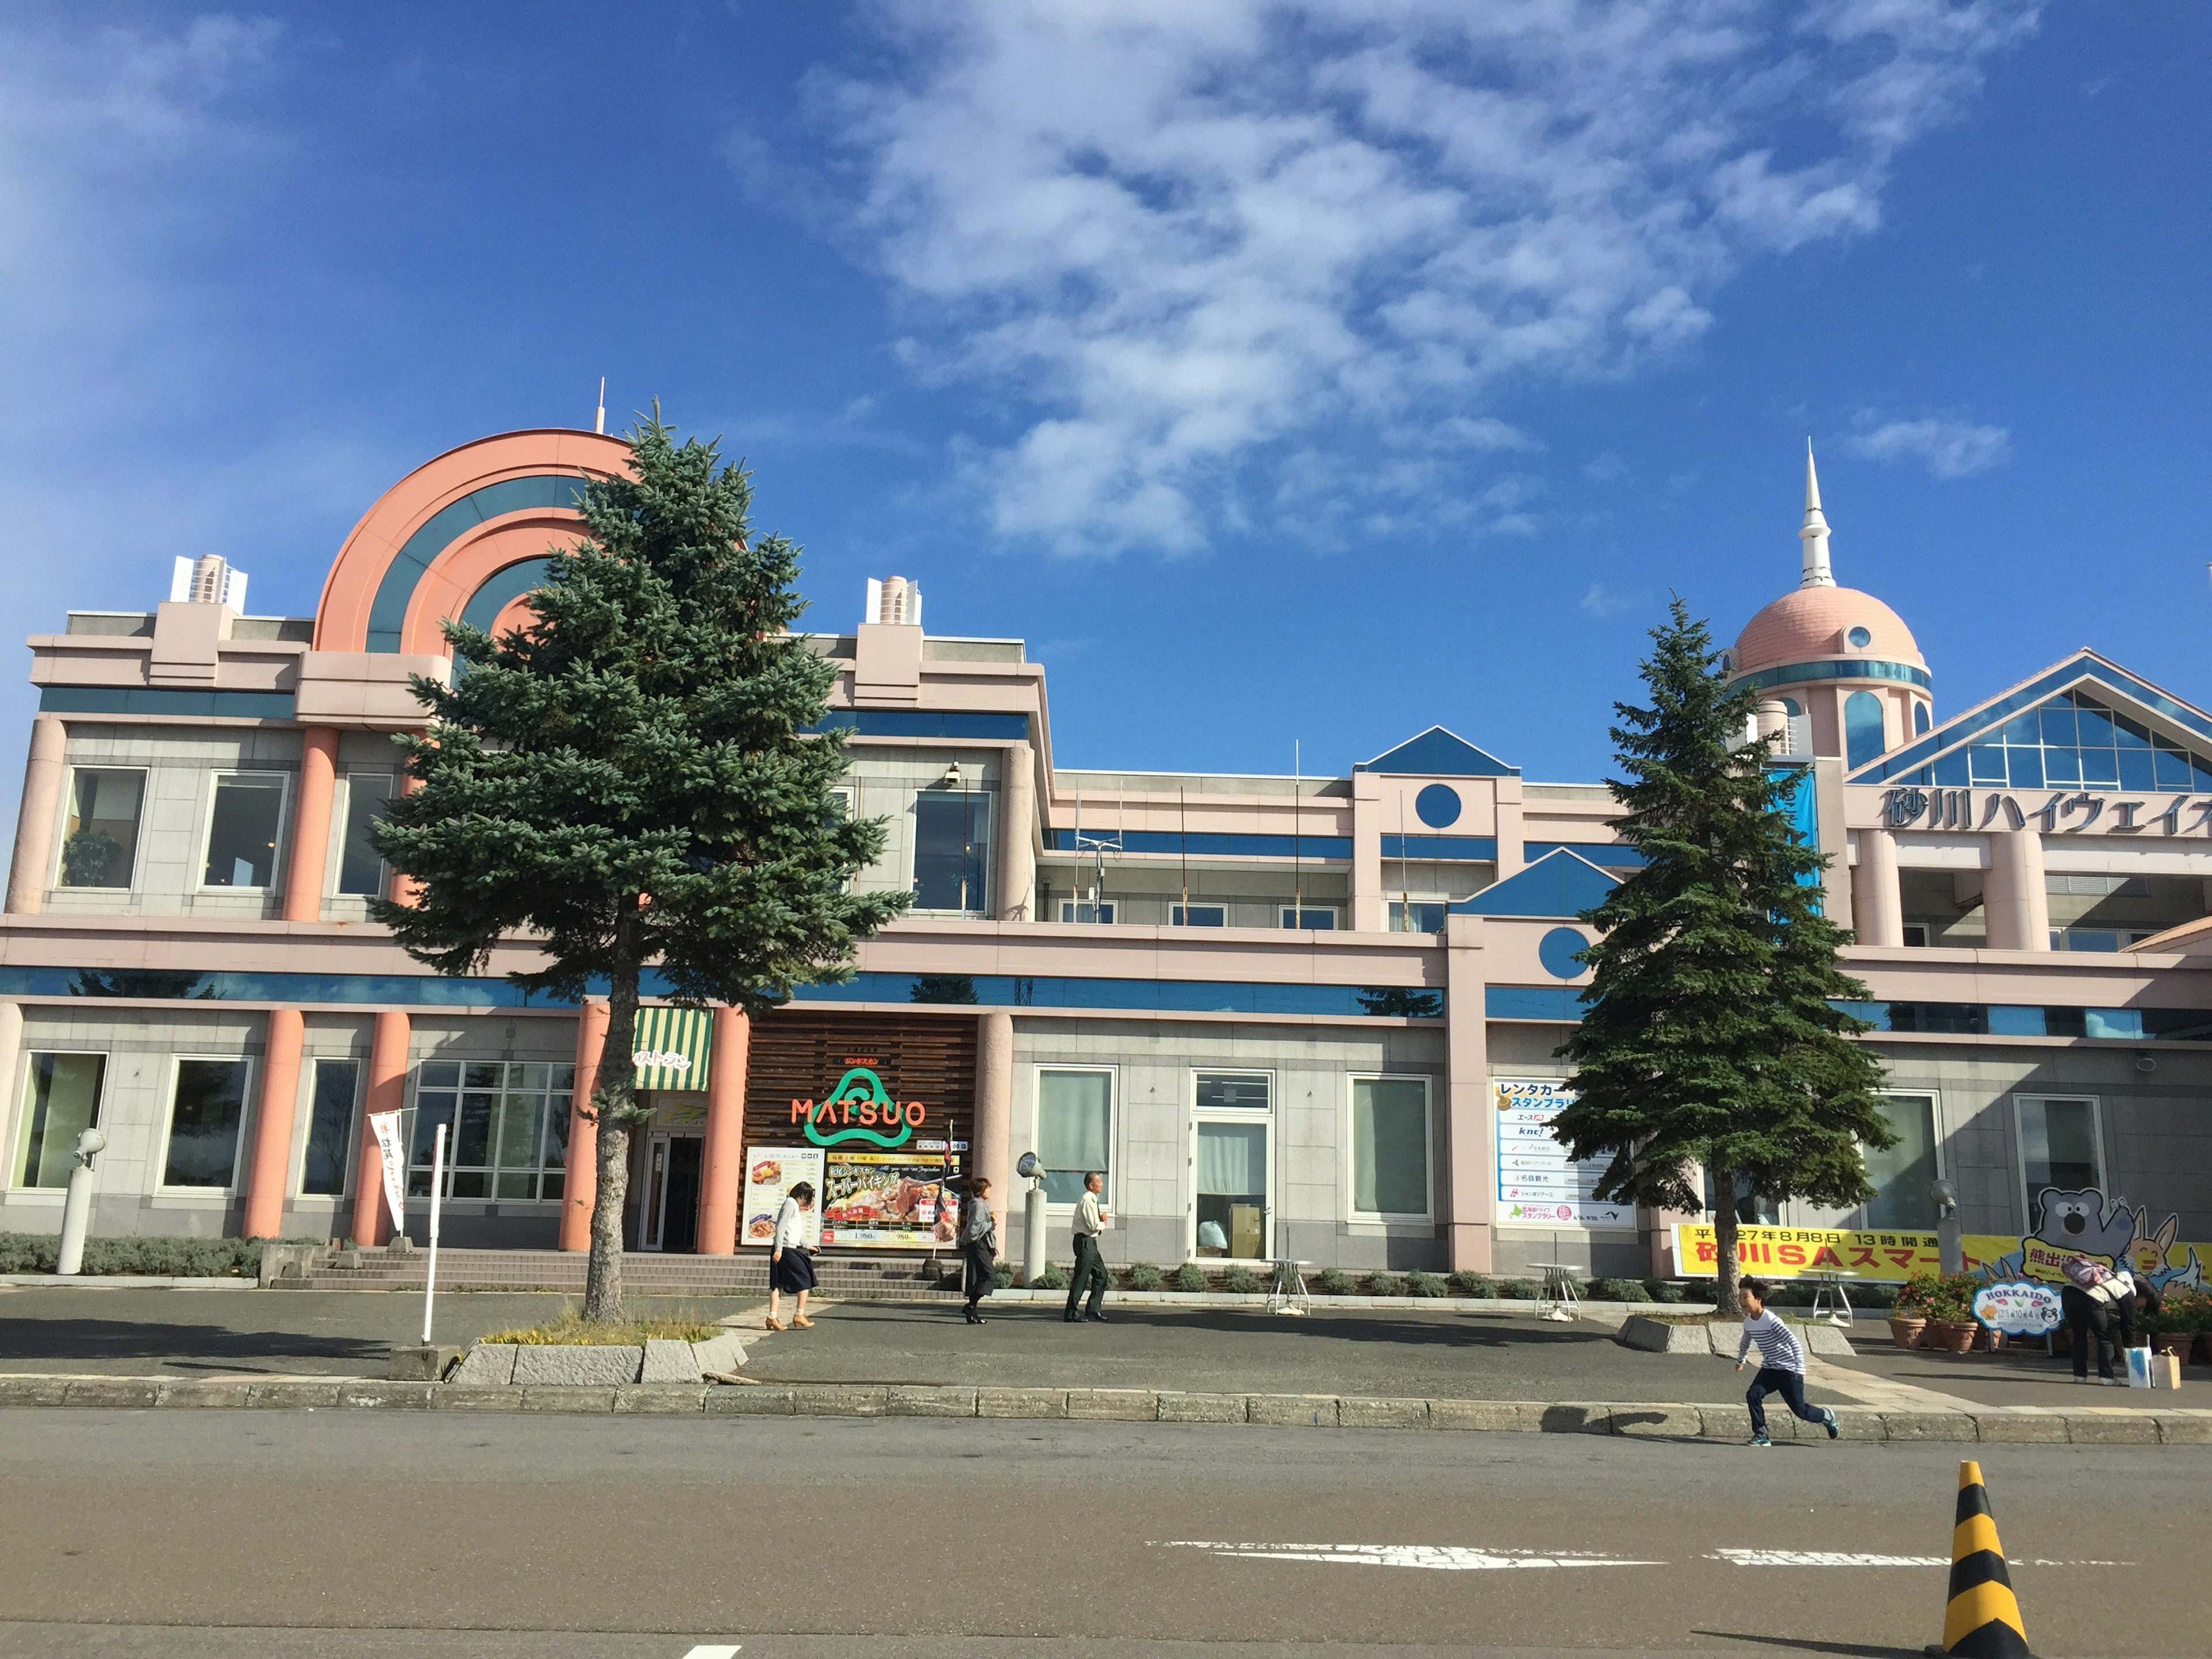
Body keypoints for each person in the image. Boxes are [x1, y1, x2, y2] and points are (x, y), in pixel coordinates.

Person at [1735, 1276, 1838, 1447]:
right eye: (1740, 1297)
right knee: (1753, 1395)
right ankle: (1761, 1434)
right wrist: (1741, 1360)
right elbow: (1746, 1341)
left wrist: (1799, 1369)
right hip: (1770, 1369)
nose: (1741, 1301)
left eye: (1745, 1297)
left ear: (1758, 1300)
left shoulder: (1772, 1321)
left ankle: (1827, 1416)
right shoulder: (1748, 1323)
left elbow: (1794, 1342)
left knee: (1801, 1411)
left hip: (1789, 1371)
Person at [2061, 1252, 2138, 1384]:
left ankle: (2079, 1376)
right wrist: (2131, 1351)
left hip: (2068, 1293)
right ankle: (2107, 1377)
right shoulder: (2128, 1293)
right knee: (2105, 1337)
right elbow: (2128, 1325)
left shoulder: (2109, 1278)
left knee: (2079, 1334)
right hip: (2091, 1298)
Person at [767, 1181, 817, 1332]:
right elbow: (781, 1226)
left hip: (786, 1248)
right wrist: (779, 1249)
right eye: (807, 1198)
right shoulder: (790, 1204)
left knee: (778, 1283)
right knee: (806, 1279)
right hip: (786, 1249)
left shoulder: (793, 1205)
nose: (807, 1202)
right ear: (802, 1195)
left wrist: (808, 1245)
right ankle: (799, 1314)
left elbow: (795, 1231)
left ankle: (772, 1317)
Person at [1065, 1170, 1110, 1324]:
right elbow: (1092, 1226)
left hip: (1090, 1242)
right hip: (1085, 1242)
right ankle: (1071, 1312)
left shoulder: (1092, 1199)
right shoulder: (1088, 1200)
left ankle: (1093, 1309)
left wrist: (1099, 1221)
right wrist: (1103, 1223)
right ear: (1091, 1185)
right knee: (1082, 1277)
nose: (1102, 1184)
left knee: (1101, 1274)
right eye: (1099, 1181)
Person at [960, 1176, 998, 1325]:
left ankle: (972, 1313)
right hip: (977, 1243)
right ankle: (970, 1306)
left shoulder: (978, 1204)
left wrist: (989, 1220)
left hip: (977, 1244)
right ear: (981, 1190)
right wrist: (993, 1223)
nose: (989, 1191)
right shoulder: (979, 1205)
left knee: (981, 1277)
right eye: (987, 1188)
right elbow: (976, 1227)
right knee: (990, 1276)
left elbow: (978, 1223)